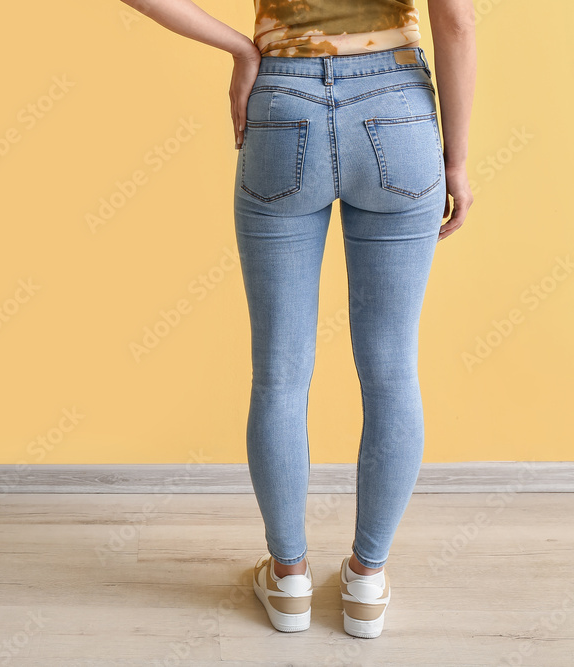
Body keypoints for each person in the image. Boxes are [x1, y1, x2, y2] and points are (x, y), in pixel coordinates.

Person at [117, 0, 476, 638]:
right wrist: (456, 159)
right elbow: (455, 20)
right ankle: (366, 581)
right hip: (398, 112)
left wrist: (241, 47)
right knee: (392, 369)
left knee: (279, 373)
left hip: (283, 106)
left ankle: (288, 579)